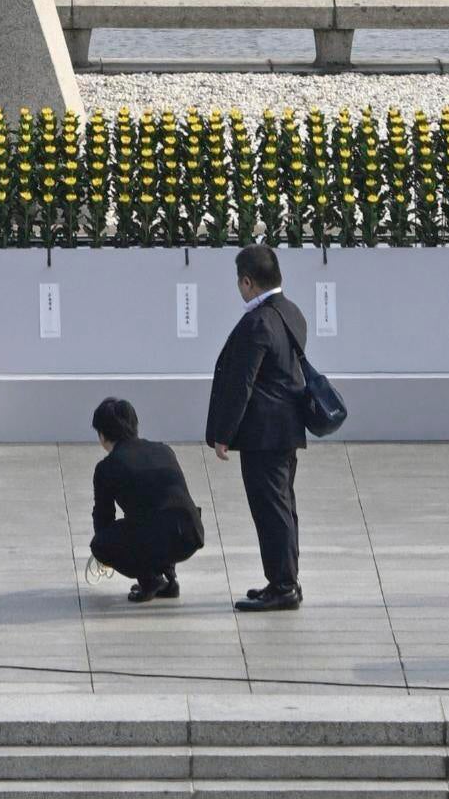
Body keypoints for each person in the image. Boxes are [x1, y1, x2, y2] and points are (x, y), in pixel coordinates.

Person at [206, 245, 310, 611]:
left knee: (271, 509)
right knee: (283, 505)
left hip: (263, 434)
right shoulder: (291, 312)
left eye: (240, 282)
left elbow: (242, 383)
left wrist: (223, 434)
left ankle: (282, 586)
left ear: (248, 282)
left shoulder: (258, 322)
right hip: (287, 429)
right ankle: (285, 580)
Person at [88, 395, 205, 602]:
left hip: (160, 535)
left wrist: (104, 553)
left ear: (102, 435)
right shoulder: (163, 450)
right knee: (160, 516)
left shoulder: (107, 467)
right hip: (191, 533)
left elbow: (104, 518)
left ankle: (150, 580)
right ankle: (169, 581)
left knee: (102, 543)